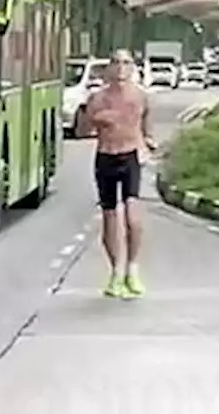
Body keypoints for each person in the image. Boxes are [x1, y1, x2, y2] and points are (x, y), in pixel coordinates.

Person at [78, 49, 156, 298]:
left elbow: (147, 127)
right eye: (116, 63)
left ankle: (133, 269)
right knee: (110, 217)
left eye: (126, 63)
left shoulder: (140, 96)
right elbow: (82, 129)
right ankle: (116, 272)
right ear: (108, 69)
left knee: (133, 217)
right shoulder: (97, 98)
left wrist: (149, 142)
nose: (121, 68)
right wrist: (97, 119)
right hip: (106, 158)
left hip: (130, 157)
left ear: (133, 68)